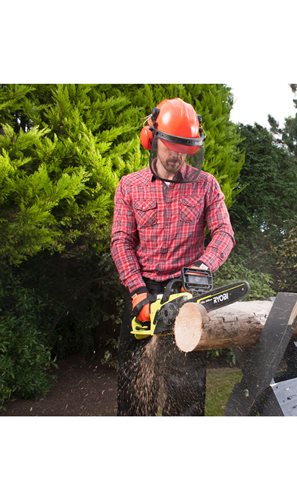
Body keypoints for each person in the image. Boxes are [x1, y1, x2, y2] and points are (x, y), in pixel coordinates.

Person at [110, 97, 235, 416]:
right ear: (152, 140)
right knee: (133, 394)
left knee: (186, 395)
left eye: (184, 149)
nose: (177, 155)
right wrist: (138, 292)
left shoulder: (206, 185)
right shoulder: (129, 186)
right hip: (144, 293)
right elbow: (121, 242)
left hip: (185, 294)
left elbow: (224, 233)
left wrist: (201, 268)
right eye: (171, 146)